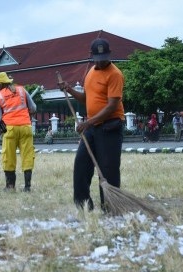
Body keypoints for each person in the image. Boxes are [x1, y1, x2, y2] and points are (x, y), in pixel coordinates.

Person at [58, 37, 125, 212]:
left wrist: (87, 122)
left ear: (109, 55)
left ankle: (109, 208)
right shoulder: (90, 73)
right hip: (92, 127)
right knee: (81, 165)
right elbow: (87, 99)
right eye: (98, 58)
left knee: (108, 170)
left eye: (105, 58)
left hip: (110, 126)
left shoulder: (115, 74)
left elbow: (112, 106)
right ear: (92, 57)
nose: (102, 62)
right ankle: (84, 206)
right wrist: (70, 89)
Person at [0, 72, 37, 192]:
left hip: (10, 129)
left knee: (8, 157)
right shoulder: (22, 90)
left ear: (1, 84)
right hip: (25, 127)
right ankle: (27, 187)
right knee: (27, 156)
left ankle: (10, 186)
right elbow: (33, 108)